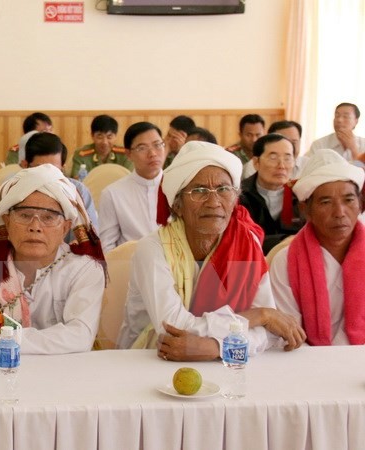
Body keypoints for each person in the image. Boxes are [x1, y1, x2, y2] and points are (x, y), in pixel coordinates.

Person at [117, 141, 306, 360]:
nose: (214, 202)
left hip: (222, 364)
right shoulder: (153, 249)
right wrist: (258, 315)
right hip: (148, 358)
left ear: (235, 199)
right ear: (177, 205)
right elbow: (174, 327)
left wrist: (218, 350)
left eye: (224, 189)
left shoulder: (246, 244)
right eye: (199, 191)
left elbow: (269, 333)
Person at [0, 164, 106, 354]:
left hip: (64, 376)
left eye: (48, 218)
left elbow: (80, 336)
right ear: (7, 221)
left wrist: (8, 341)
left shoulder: (84, 269)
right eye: (25, 215)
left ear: (66, 228)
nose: (35, 226)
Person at [270, 150, 365, 345]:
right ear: (306, 210)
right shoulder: (286, 260)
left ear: (361, 205)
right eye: (326, 202)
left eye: (348, 200)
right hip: (307, 362)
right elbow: (288, 332)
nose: (339, 213)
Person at [99, 122, 165, 253]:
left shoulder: (181, 187)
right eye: (142, 148)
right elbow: (107, 246)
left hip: (176, 268)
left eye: (157, 145)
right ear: (128, 154)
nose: (152, 153)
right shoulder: (113, 194)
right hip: (131, 268)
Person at [20, 131, 99, 233]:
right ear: (25, 165)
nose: (47, 177)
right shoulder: (10, 190)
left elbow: (90, 236)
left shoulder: (78, 191)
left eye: (54, 170)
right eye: (41, 169)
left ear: (62, 168)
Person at [239, 134, 304, 254]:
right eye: (273, 158)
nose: (282, 166)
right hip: (249, 262)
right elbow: (240, 239)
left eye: (287, 158)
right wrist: (284, 241)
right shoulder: (239, 194)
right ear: (256, 162)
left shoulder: (302, 195)